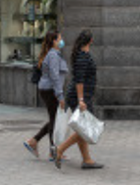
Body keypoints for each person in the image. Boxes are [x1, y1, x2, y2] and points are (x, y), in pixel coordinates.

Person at [53, 29, 103, 170]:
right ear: (91, 41)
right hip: (80, 96)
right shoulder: (82, 56)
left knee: (83, 127)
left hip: (81, 95)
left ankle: (87, 160)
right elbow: (79, 81)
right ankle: (60, 149)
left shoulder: (82, 54)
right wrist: (81, 100)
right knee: (84, 129)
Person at [24, 30, 68, 161]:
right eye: (59, 38)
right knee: (54, 120)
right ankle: (53, 152)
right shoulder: (53, 55)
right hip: (50, 90)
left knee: (53, 119)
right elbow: (55, 76)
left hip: (47, 89)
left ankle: (35, 141)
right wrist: (60, 95)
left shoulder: (52, 54)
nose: (61, 41)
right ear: (54, 41)